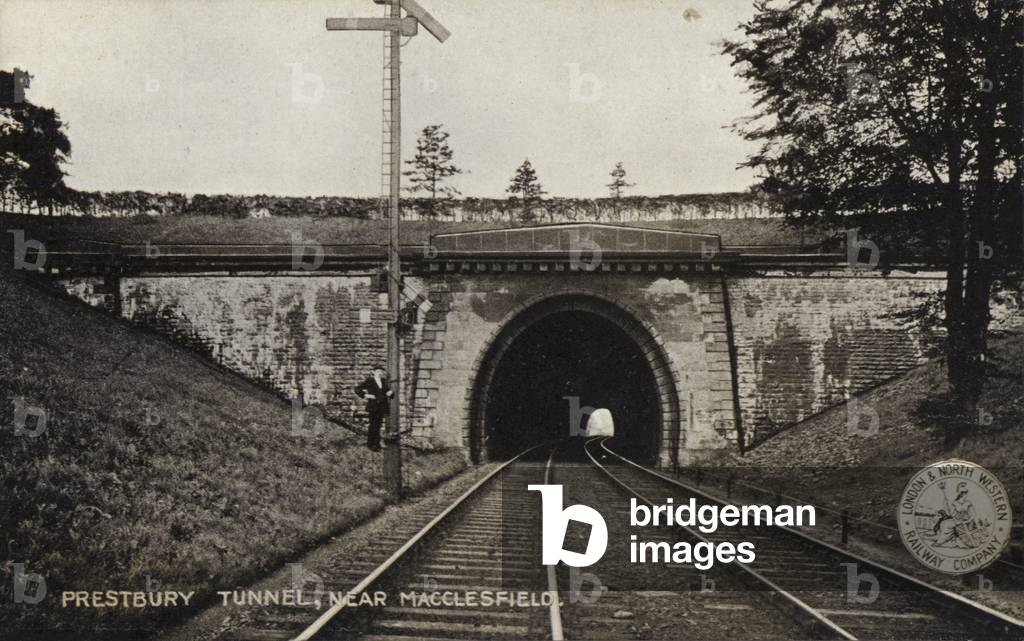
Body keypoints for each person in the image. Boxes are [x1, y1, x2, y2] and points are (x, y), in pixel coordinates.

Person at [355, 366, 393, 451]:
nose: (380, 373)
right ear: (373, 372)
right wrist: (366, 395)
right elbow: (357, 389)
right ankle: (371, 445)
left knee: (378, 425)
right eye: (378, 371)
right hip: (373, 406)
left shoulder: (383, 381)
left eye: (381, 371)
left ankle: (376, 443)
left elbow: (387, 391)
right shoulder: (370, 381)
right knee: (373, 425)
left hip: (382, 406)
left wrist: (390, 392)